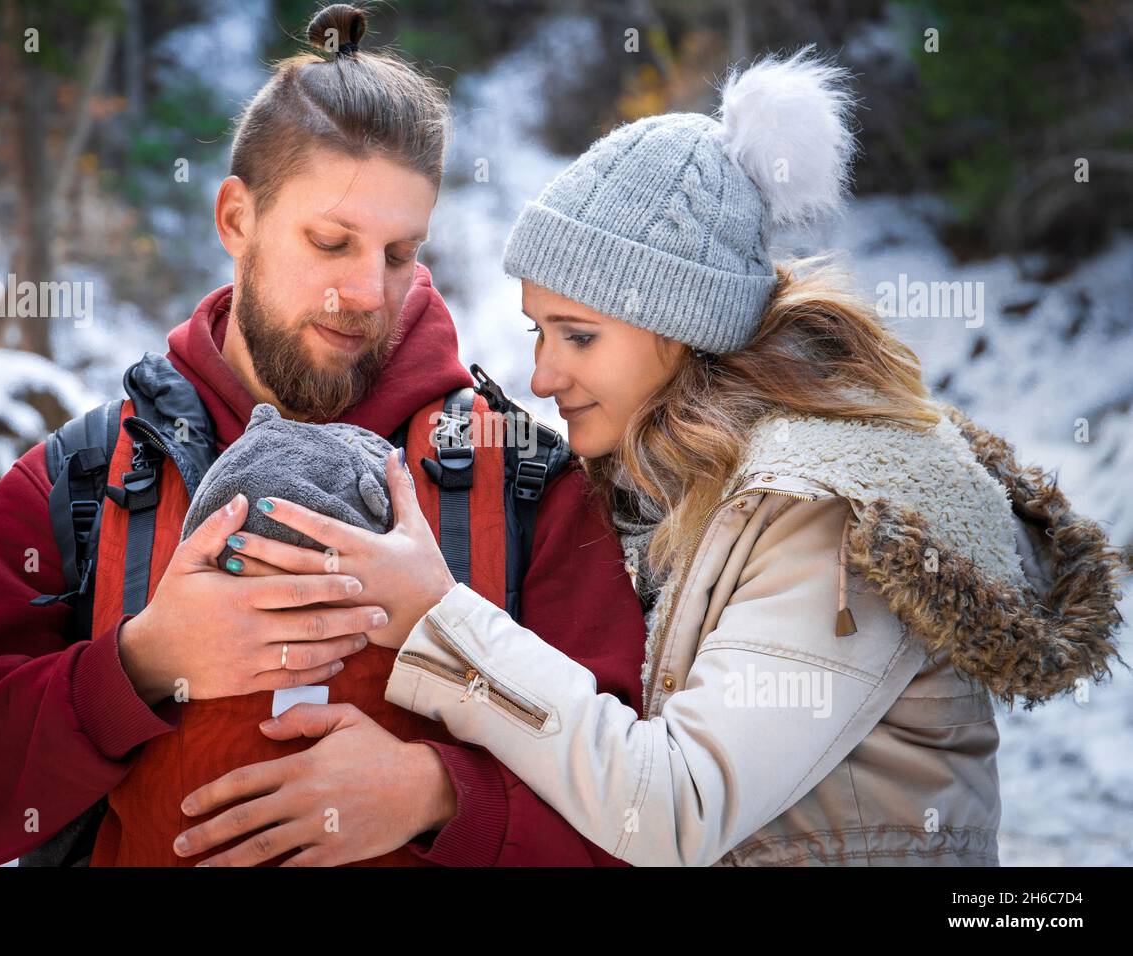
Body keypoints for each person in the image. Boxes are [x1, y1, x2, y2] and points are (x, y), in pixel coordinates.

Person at [242, 47, 1125, 866]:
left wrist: (439, 619)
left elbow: (674, 805)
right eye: (537, 334)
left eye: (579, 337)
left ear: (681, 327)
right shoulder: (683, 488)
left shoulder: (825, 512)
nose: (543, 376)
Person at [0, 3, 646, 867]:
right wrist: (136, 667)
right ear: (236, 220)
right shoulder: (83, 484)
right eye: (331, 241)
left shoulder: (527, 485)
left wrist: (438, 796)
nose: (367, 290)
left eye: (400, 253)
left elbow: (638, 814)